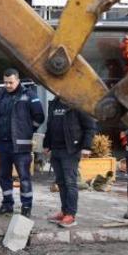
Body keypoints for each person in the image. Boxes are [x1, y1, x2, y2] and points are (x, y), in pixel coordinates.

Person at [0, 69, 45, 217]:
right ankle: (7, 204)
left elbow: (39, 117)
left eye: (11, 82)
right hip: (4, 144)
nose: (7, 85)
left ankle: (26, 207)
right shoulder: (1, 95)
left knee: (24, 177)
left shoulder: (29, 95)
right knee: (3, 175)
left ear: (18, 80)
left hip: (21, 146)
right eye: (5, 82)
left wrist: (27, 130)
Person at [42, 95, 97, 228]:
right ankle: (64, 211)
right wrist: (47, 144)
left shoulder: (78, 103)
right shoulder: (54, 103)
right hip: (56, 149)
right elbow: (50, 125)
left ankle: (71, 215)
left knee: (70, 182)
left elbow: (90, 127)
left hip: (71, 150)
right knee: (60, 182)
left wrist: (86, 147)